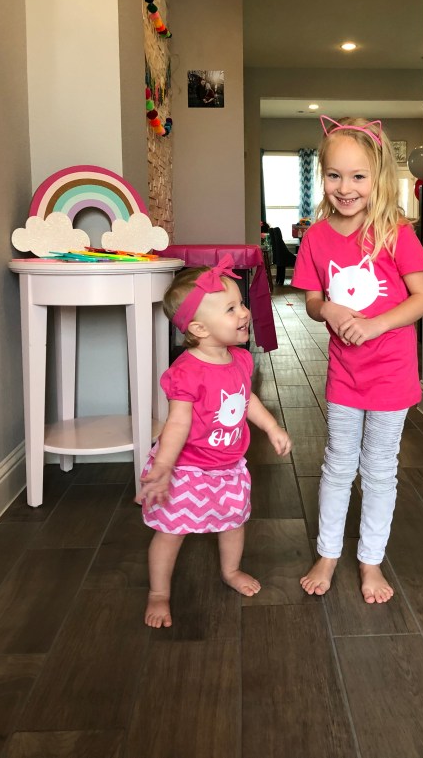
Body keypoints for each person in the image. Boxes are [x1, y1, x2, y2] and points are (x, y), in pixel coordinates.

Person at [292, 116, 423, 604]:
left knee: (378, 468)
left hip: (392, 373)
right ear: (323, 176)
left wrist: (375, 325)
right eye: (334, 175)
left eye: (357, 176)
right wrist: (328, 309)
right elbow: (312, 301)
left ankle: (370, 560)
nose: (345, 187)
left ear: (378, 177)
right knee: (337, 464)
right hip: (345, 375)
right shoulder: (316, 237)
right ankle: (328, 553)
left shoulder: (395, 232)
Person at [135, 255, 292, 628]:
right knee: (171, 532)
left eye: (241, 304)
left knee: (233, 521)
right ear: (199, 329)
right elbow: (178, 422)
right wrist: (164, 466)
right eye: (231, 309)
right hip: (187, 468)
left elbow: (246, 398)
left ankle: (231, 570)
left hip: (229, 465)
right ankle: (158, 593)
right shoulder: (187, 372)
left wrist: (271, 427)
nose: (244, 313)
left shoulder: (240, 360)